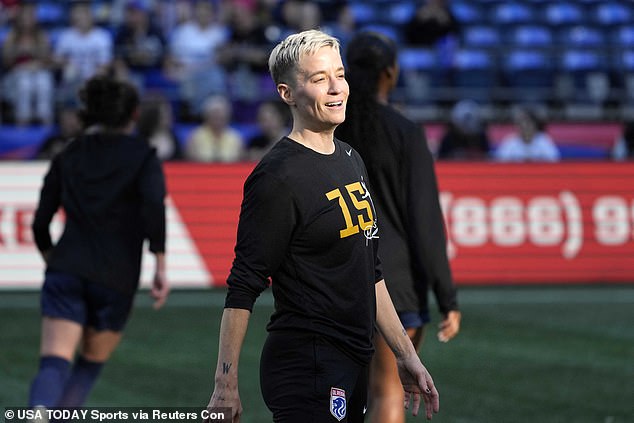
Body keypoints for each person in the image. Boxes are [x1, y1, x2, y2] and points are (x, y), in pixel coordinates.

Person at [205, 29, 440, 423]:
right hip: (308, 364)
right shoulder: (277, 177)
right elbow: (244, 284)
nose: (336, 88)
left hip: (354, 359)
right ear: (287, 94)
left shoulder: (350, 157)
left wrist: (406, 356)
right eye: (318, 79)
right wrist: (224, 385)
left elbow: (372, 273)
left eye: (340, 74)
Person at [335, 31, 459, 423]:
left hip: (334, 279)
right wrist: (447, 296)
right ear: (392, 72)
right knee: (388, 392)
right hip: (396, 282)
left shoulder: (329, 130)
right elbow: (425, 222)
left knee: (341, 400)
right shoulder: (406, 132)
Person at [29, 75, 169, 410]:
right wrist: (160, 263)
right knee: (88, 367)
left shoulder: (68, 153)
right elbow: (153, 207)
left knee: (53, 362)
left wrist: (53, 257)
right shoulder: (143, 155)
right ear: (133, 115)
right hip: (116, 276)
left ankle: (37, 413)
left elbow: (40, 222)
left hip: (68, 267)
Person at [1, 2, 55, 125]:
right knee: (24, 83)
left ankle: (45, 120)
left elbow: (47, 60)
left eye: (30, 15)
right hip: (15, 76)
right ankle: (22, 121)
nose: (27, 19)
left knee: (44, 81)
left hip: (38, 72)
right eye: (24, 15)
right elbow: (6, 63)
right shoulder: (11, 36)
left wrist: (33, 53)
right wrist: (18, 51)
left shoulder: (41, 35)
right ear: (19, 17)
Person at [184, 94, 244, 162]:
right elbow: (189, 162)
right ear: (206, 115)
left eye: (220, 114)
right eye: (214, 113)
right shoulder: (195, 136)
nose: (217, 117)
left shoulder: (236, 138)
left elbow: (240, 162)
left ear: (227, 116)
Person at [494, 105, 560, 162]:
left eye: (528, 125)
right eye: (521, 125)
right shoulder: (510, 141)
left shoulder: (544, 140)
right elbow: (500, 162)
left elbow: (554, 161)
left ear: (535, 126)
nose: (525, 128)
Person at [136, 96, 183, 161]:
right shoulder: (140, 141)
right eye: (166, 114)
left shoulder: (173, 138)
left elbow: (180, 163)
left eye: (170, 113)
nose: (170, 117)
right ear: (153, 116)